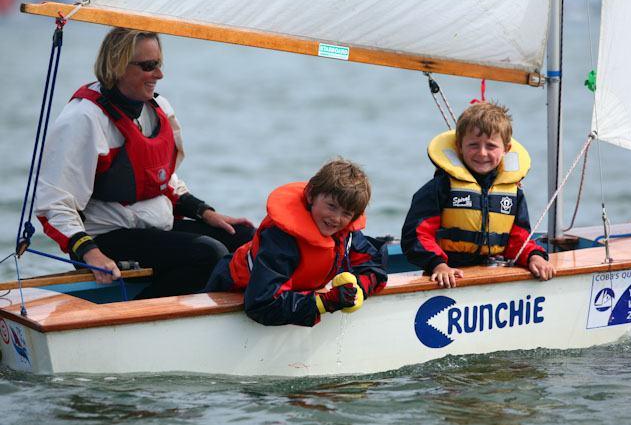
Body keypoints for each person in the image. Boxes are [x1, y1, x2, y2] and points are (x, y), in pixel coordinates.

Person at [35, 28, 254, 299]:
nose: (159, 75)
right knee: (209, 255)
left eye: (159, 64)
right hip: (108, 237)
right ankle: (134, 316)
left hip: (152, 228)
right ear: (117, 65)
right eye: (149, 66)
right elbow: (54, 203)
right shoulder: (83, 120)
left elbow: (163, 179)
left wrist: (205, 212)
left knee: (245, 238)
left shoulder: (159, 109)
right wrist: (90, 253)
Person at [204, 158, 387, 326]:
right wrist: (324, 302)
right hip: (229, 289)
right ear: (311, 196)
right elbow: (261, 304)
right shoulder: (281, 239)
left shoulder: (345, 234)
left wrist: (357, 291)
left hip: (291, 295)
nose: (336, 219)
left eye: (346, 213)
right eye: (331, 206)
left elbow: (374, 269)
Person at [401, 102, 555, 288]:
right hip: (446, 277)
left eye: (491, 146)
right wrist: (438, 265)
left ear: (506, 149)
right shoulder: (440, 187)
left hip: (493, 277)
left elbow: (518, 239)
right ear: (459, 146)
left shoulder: (514, 193)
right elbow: (416, 235)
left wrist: (534, 256)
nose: (482, 153)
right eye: (473, 145)